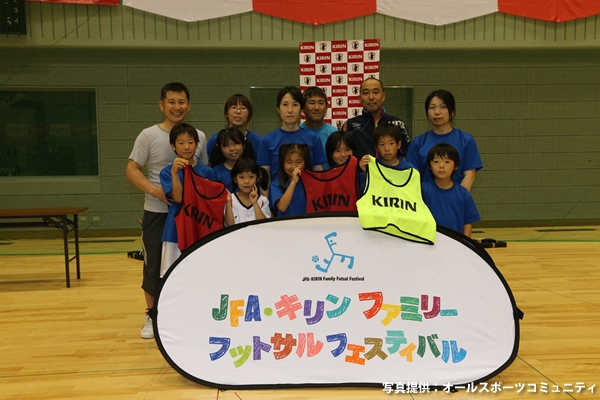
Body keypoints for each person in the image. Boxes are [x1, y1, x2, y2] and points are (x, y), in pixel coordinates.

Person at [125, 82, 208, 339]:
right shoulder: (148, 135)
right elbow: (131, 170)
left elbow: (204, 174)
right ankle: (152, 316)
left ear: (189, 105)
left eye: (181, 102)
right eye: (171, 102)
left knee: (189, 263)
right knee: (153, 265)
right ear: (162, 105)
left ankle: (188, 314)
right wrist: (156, 191)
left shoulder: (199, 136)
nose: (177, 106)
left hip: (190, 215)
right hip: (157, 213)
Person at [159, 123, 216, 278]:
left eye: (191, 142)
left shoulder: (208, 172)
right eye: (181, 142)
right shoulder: (167, 173)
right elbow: (178, 198)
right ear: (173, 146)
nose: (186, 147)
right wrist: (175, 173)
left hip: (201, 229)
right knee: (172, 277)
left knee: (202, 274)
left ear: (197, 145)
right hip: (175, 231)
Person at [406, 89, 483, 191]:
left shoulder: (466, 140)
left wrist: (458, 197)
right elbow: (412, 177)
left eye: (443, 107)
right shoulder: (418, 143)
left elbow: (469, 175)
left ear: (452, 112)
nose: (437, 112)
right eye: (432, 107)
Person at [257, 86, 327, 186]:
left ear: (301, 109)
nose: (290, 110)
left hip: (307, 193)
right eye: (285, 104)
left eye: (295, 105)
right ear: (278, 109)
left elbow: (318, 172)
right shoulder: (267, 141)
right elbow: (265, 178)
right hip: (278, 194)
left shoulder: (313, 138)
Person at [344, 77, 410, 160]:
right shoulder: (350, 126)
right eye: (366, 93)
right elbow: (343, 158)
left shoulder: (398, 124)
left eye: (375, 92)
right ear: (360, 98)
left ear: (383, 96)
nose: (371, 97)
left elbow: (407, 155)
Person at [421, 144, 480, 237]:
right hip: (429, 241)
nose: (441, 166)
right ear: (429, 165)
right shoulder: (422, 190)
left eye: (447, 162)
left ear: (455, 166)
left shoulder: (463, 194)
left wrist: (465, 243)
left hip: (455, 242)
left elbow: (467, 223)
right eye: (436, 161)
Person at [207, 94, 262, 162]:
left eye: (243, 108)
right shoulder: (215, 139)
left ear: (249, 114)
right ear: (226, 113)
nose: (238, 112)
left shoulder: (259, 141)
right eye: (234, 107)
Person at [224, 158, 271, 225]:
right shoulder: (230, 199)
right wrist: (228, 202)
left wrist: (255, 203)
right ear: (235, 179)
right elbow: (229, 225)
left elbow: (264, 225)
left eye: (251, 177)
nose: (246, 181)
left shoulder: (263, 201)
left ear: (257, 179)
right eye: (242, 177)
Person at [269, 143, 311, 217]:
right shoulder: (276, 185)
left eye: (299, 162)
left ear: (305, 163)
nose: (294, 166)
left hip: (309, 222)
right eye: (289, 162)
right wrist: (293, 182)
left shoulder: (311, 182)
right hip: (286, 223)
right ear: (282, 163)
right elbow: (282, 207)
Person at [210, 127, 255, 191]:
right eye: (226, 145)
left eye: (235, 143)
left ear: (243, 145)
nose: (232, 149)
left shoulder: (253, 169)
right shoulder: (214, 173)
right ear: (220, 149)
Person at [299, 86, 338, 152]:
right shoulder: (297, 132)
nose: (317, 107)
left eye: (321, 103)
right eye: (312, 103)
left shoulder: (333, 133)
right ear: (303, 108)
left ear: (326, 107)